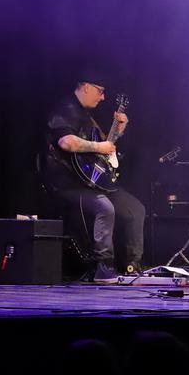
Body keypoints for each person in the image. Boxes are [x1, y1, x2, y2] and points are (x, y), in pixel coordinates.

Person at [43, 71, 145, 283]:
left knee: (135, 209)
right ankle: (103, 266)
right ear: (86, 87)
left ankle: (132, 265)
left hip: (92, 182)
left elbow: (104, 151)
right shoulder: (65, 109)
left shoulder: (87, 116)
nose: (103, 97)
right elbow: (66, 142)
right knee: (104, 208)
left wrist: (119, 131)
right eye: (100, 91)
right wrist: (100, 146)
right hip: (68, 183)